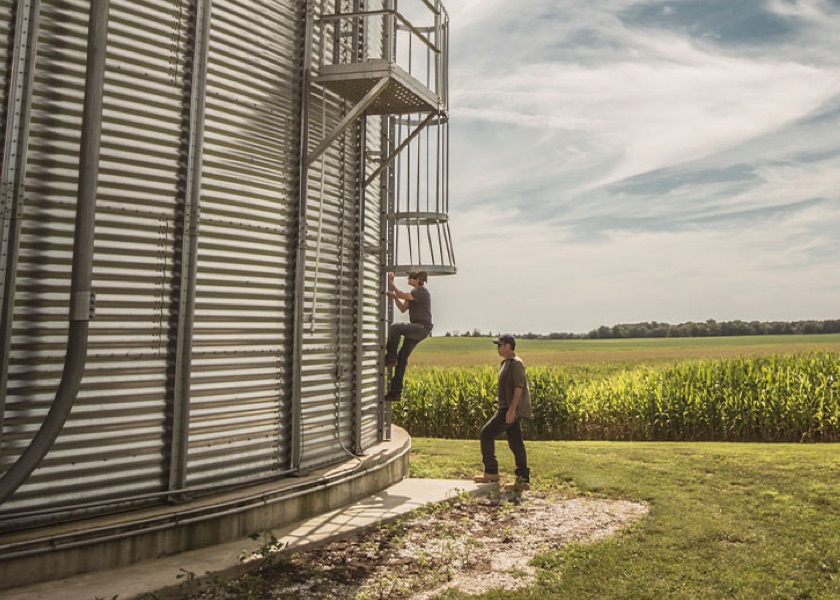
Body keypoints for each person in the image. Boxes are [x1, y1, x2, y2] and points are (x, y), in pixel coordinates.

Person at [474, 334, 532, 491]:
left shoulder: (516, 364)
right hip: (506, 408)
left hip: (510, 410)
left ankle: (491, 472)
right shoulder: (505, 363)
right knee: (515, 442)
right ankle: (522, 480)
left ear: (508, 346)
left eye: (500, 345)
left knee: (486, 433)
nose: (498, 348)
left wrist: (511, 409)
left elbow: (518, 388)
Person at [383, 271, 432, 401]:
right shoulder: (413, 295)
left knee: (395, 328)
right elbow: (403, 308)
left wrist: (391, 283)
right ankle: (396, 392)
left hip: (421, 328)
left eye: (410, 277)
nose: (408, 279)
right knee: (402, 358)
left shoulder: (421, 291)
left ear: (417, 280)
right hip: (417, 329)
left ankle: (391, 357)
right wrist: (394, 298)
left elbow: (400, 294)